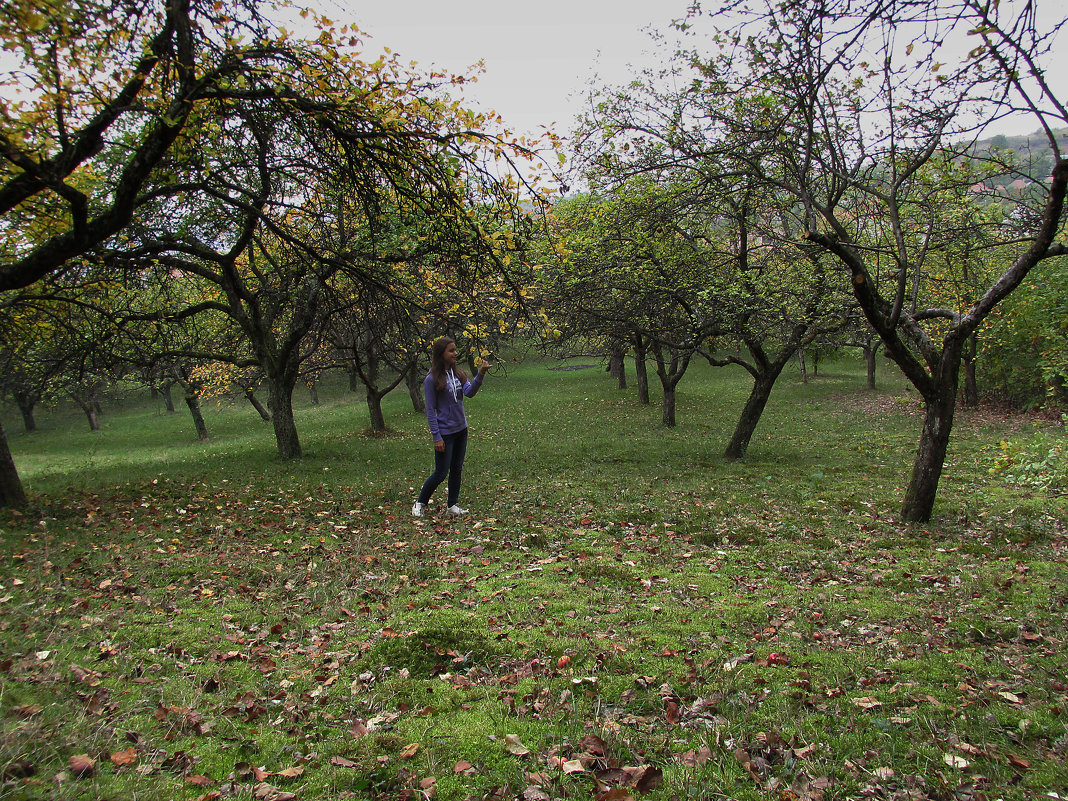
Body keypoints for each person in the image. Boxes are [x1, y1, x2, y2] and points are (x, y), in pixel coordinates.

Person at [412, 337, 491, 517]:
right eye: (451, 351)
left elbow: (469, 392)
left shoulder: (458, 374)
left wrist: (481, 374)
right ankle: (420, 502)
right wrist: (436, 436)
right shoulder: (431, 380)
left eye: (455, 350)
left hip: (461, 429)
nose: (455, 353)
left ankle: (452, 506)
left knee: (457, 468)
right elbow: (430, 410)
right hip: (445, 433)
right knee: (441, 472)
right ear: (441, 355)